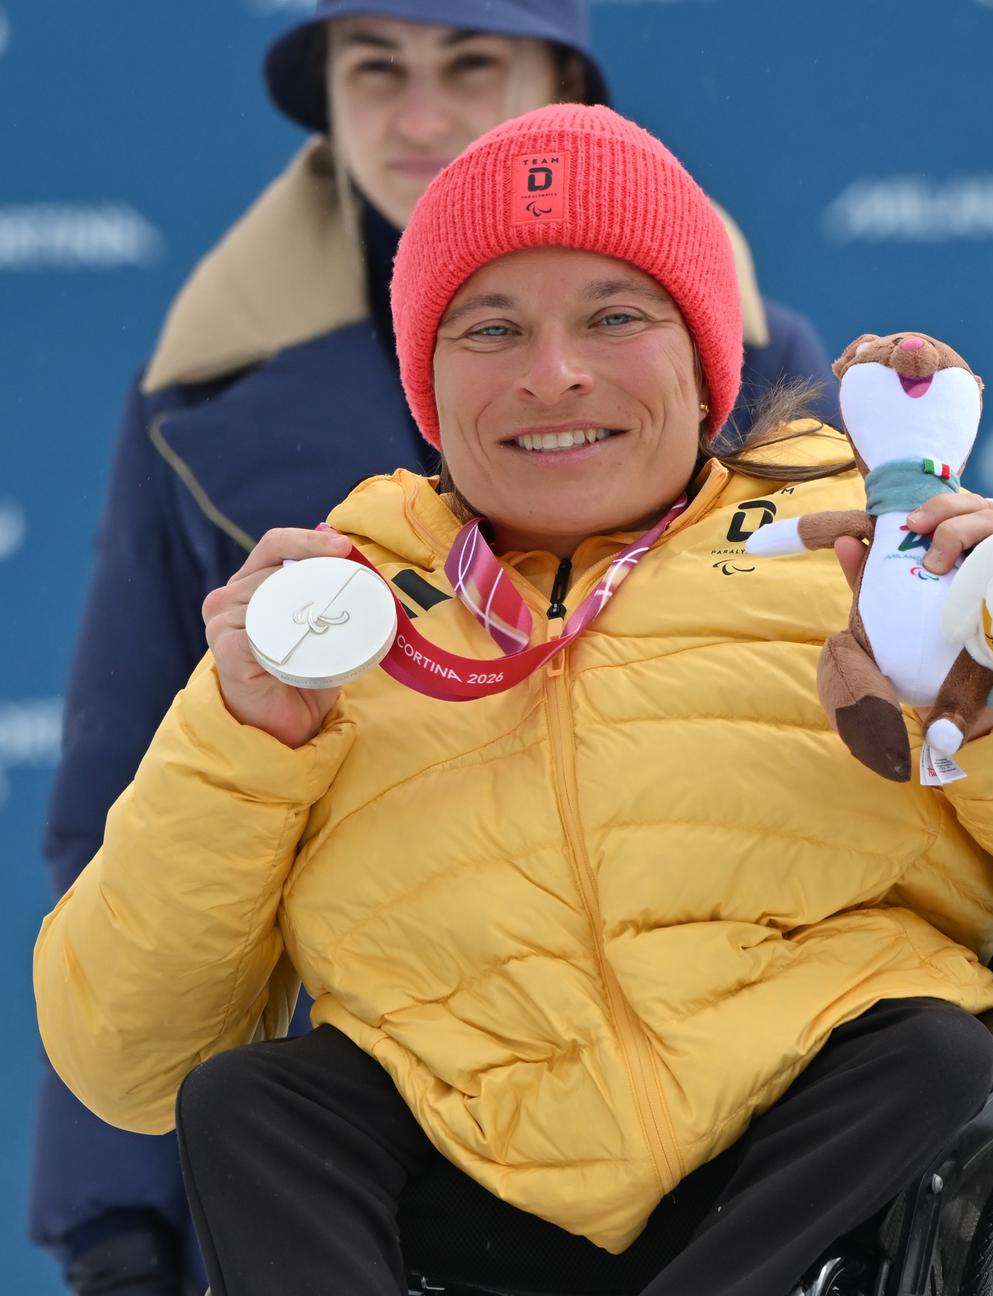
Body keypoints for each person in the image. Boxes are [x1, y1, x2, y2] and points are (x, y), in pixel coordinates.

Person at [34, 104, 993, 1296]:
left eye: (615, 317)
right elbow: (127, 1066)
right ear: (430, 380)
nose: (552, 372)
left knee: (929, 1050)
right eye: (491, 327)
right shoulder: (330, 610)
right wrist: (248, 738)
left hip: (807, 1192)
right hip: (471, 1182)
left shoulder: (887, 565)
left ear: (702, 355)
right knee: (251, 1102)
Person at [29, 4, 838, 1291]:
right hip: (368, 1115)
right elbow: (127, 802)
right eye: (374, 69)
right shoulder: (194, 402)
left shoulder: (760, 362)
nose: (417, 117)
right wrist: (111, 1222)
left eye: (468, 64)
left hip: (729, 1090)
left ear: (559, 77)